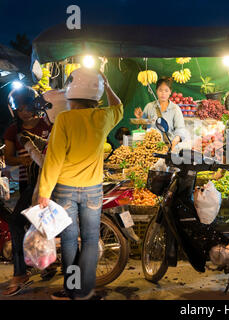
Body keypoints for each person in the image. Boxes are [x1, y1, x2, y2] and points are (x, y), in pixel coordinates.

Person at [38, 68, 123, 300]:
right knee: (90, 240)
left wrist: (44, 192)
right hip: (93, 189)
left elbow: (54, 159)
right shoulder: (103, 117)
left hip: (64, 188)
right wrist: (107, 85)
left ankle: (72, 288)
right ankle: (84, 290)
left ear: (70, 96)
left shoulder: (64, 119)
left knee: (68, 239)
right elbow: (119, 107)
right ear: (94, 96)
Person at [1, 86, 52, 296]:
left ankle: (23, 272)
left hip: (46, 181)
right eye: (20, 108)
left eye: (28, 107)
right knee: (27, 223)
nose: (25, 112)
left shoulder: (46, 124)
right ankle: (41, 264)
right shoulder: (14, 131)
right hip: (26, 183)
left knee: (27, 223)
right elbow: (9, 157)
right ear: (15, 110)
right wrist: (25, 158)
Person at [134, 77, 186, 151]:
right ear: (156, 91)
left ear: (170, 92)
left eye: (166, 90)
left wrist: (175, 140)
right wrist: (140, 119)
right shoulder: (149, 107)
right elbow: (142, 129)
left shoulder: (175, 109)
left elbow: (180, 129)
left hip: (169, 148)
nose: (163, 93)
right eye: (160, 90)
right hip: (150, 149)